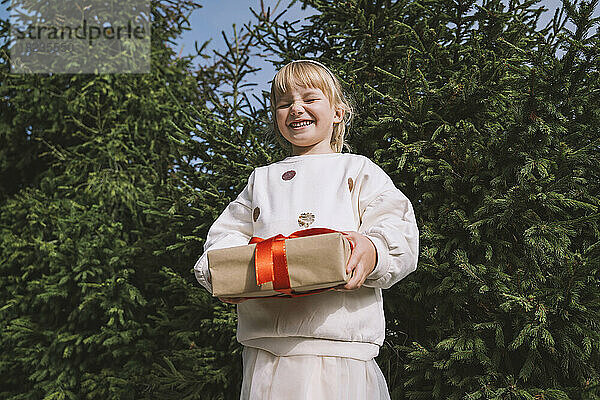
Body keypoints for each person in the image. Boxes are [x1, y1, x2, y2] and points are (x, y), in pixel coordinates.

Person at [193, 59, 419, 399]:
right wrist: (220, 271)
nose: (296, 108)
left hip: (339, 345)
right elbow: (225, 236)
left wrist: (372, 251)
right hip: (268, 349)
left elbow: (395, 226)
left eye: (309, 99)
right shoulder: (261, 180)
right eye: (284, 104)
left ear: (338, 112)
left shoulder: (356, 170)